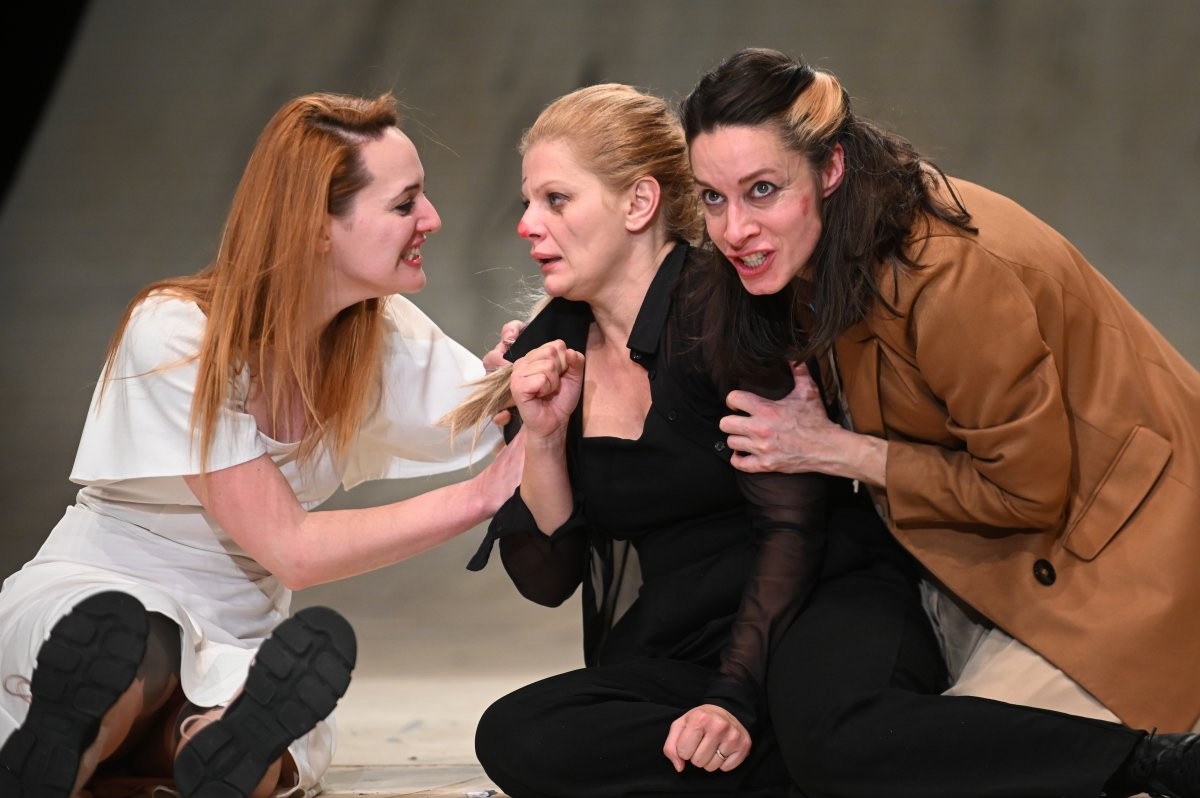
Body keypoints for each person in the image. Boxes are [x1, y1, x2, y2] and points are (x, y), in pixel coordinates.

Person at [678, 46, 1200, 796]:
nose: (734, 229)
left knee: (952, 769)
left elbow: (1025, 492)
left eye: (762, 189)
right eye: (713, 197)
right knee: (861, 745)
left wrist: (835, 450)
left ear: (830, 167)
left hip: (1131, 560)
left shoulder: (946, 275)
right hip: (990, 556)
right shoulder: (830, 240)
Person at [0, 91, 522, 798]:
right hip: (101, 597)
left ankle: (175, 744)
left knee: (259, 731)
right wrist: (483, 495)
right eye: (405, 204)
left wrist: (537, 365)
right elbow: (291, 548)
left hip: (237, 640)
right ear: (315, 227)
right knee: (140, 646)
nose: (431, 218)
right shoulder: (177, 333)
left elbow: (497, 413)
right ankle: (92, 734)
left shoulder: (377, 334)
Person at [443, 82, 939, 798]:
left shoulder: (724, 310)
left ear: (639, 204)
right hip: (686, 645)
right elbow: (548, 581)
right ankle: (812, 766)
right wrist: (542, 440)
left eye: (556, 199)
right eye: (528, 202)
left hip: (817, 607)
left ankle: (1100, 766)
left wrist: (733, 698)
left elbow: (793, 531)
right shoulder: (549, 349)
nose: (526, 224)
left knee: (826, 731)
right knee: (517, 734)